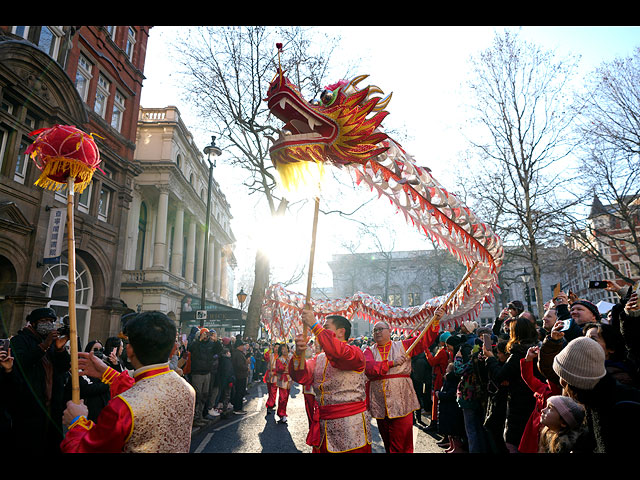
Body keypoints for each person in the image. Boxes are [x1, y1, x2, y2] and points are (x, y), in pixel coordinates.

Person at [60, 311, 196, 453]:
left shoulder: (122, 408)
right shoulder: (187, 388)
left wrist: (77, 421)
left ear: (130, 351)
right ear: (173, 350)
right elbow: (146, 393)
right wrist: (107, 373)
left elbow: (84, 450)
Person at [290, 307, 372, 453]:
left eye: (326, 328)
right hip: (324, 426)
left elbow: (338, 353)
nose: (321, 331)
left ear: (341, 332)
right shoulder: (319, 358)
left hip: (350, 425)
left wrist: (314, 325)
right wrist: (298, 354)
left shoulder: (355, 353)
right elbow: (301, 376)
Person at [364, 307, 444, 453]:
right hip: (380, 402)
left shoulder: (404, 345)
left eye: (381, 329)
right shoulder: (369, 351)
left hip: (402, 399)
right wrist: (392, 363)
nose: (377, 332)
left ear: (389, 331)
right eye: (375, 330)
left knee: (402, 438)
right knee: (387, 439)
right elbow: (369, 369)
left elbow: (424, 341)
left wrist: (436, 320)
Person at [552, 335, 640, 453]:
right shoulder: (596, 397)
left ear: (576, 382)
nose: (561, 382)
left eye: (563, 378)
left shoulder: (621, 410)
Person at [9, 307, 70, 453]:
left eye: (51, 321)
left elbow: (63, 368)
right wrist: (44, 346)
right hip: (29, 408)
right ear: (34, 323)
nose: (48, 324)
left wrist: (60, 349)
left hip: (51, 408)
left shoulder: (51, 344)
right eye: (44, 321)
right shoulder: (20, 340)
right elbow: (22, 362)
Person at [483, 317, 538, 453]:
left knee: (514, 444)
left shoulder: (518, 353)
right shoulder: (536, 348)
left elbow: (500, 375)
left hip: (519, 404)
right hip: (532, 401)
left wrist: (490, 358)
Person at [517, 345, 562, 453]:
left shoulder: (560, 394)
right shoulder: (544, 388)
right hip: (534, 437)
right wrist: (528, 359)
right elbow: (528, 378)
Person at [425, 330, 452, 431]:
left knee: (436, 399)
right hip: (446, 376)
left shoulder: (442, 351)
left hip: (439, 377)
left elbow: (432, 362)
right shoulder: (450, 351)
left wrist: (427, 351)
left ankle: (434, 422)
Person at [189, 328, 216, 426]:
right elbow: (190, 349)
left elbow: (219, 350)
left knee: (204, 395)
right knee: (198, 395)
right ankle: (195, 418)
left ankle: (200, 416)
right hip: (197, 373)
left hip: (207, 372)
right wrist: (199, 340)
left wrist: (215, 340)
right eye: (204, 334)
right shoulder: (195, 344)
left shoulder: (210, 344)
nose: (206, 336)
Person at [274, 343, 292, 424]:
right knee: (282, 397)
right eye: (283, 349)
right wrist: (285, 366)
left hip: (289, 379)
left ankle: (283, 412)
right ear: (281, 350)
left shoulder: (290, 358)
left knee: (286, 397)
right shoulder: (279, 359)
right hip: (282, 379)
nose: (285, 350)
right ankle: (281, 413)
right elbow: (279, 369)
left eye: (286, 348)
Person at [231, 339, 249, 414]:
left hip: (240, 375)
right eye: (242, 345)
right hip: (240, 375)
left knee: (240, 392)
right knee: (239, 392)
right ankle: (237, 408)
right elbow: (240, 365)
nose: (243, 347)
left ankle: (238, 408)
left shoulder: (238, 353)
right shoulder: (238, 354)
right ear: (239, 346)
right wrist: (246, 366)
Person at [263, 344, 278, 414]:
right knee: (270, 390)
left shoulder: (280, 357)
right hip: (269, 374)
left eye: (278, 348)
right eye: (275, 347)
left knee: (273, 391)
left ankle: (269, 405)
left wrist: (275, 372)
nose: (276, 349)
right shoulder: (270, 354)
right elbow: (265, 358)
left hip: (276, 375)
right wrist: (269, 350)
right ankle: (272, 402)